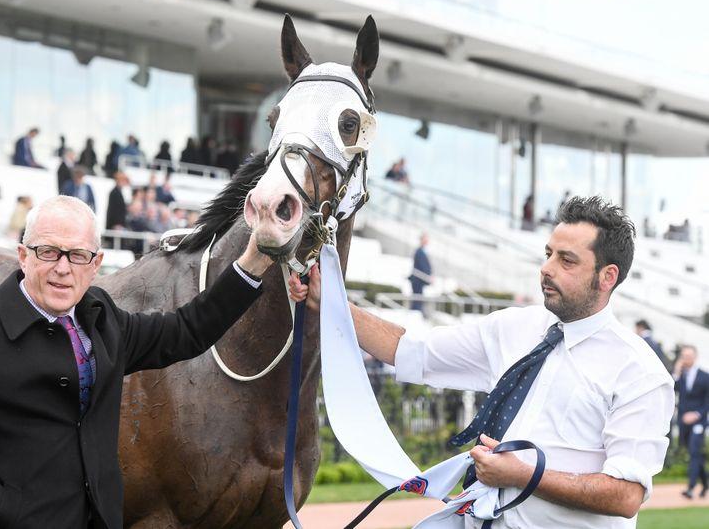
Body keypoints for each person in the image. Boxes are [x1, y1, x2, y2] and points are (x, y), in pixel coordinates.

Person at [289, 196, 674, 527]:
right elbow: (412, 352)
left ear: (607, 276)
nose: (547, 268)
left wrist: (524, 477)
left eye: (567, 260)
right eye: (548, 254)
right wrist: (333, 304)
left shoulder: (639, 371)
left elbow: (626, 495)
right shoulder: (512, 327)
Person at [0, 195, 271, 529]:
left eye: (77, 255)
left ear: (95, 264)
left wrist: (255, 259)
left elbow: (187, 331)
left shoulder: (101, 316)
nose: (62, 268)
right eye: (48, 252)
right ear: (23, 256)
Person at [673, 345, 709, 499]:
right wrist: (676, 372)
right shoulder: (681, 376)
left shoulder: (705, 376)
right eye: (683, 356)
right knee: (695, 454)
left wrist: (696, 414)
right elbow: (672, 389)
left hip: (698, 422)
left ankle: (690, 487)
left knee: (694, 452)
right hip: (683, 422)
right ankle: (706, 483)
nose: (686, 359)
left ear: (695, 357)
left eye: (688, 356)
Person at [408, 233, 432, 313]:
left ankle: (416, 313)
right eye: (425, 239)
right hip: (417, 279)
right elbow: (422, 266)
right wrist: (428, 277)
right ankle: (415, 313)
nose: (427, 241)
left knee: (418, 299)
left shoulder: (422, 251)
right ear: (421, 240)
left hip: (420, 279)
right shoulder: (419, 252)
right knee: (417, 299)